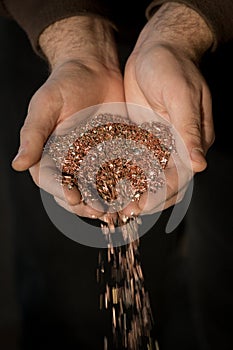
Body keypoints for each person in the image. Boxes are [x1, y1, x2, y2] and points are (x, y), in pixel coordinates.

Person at [0, 1, 233, 349]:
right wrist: (75, 46)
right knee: (70, 302)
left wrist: (186, 24)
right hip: (51, 38)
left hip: (217, 30)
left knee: (224, 277)